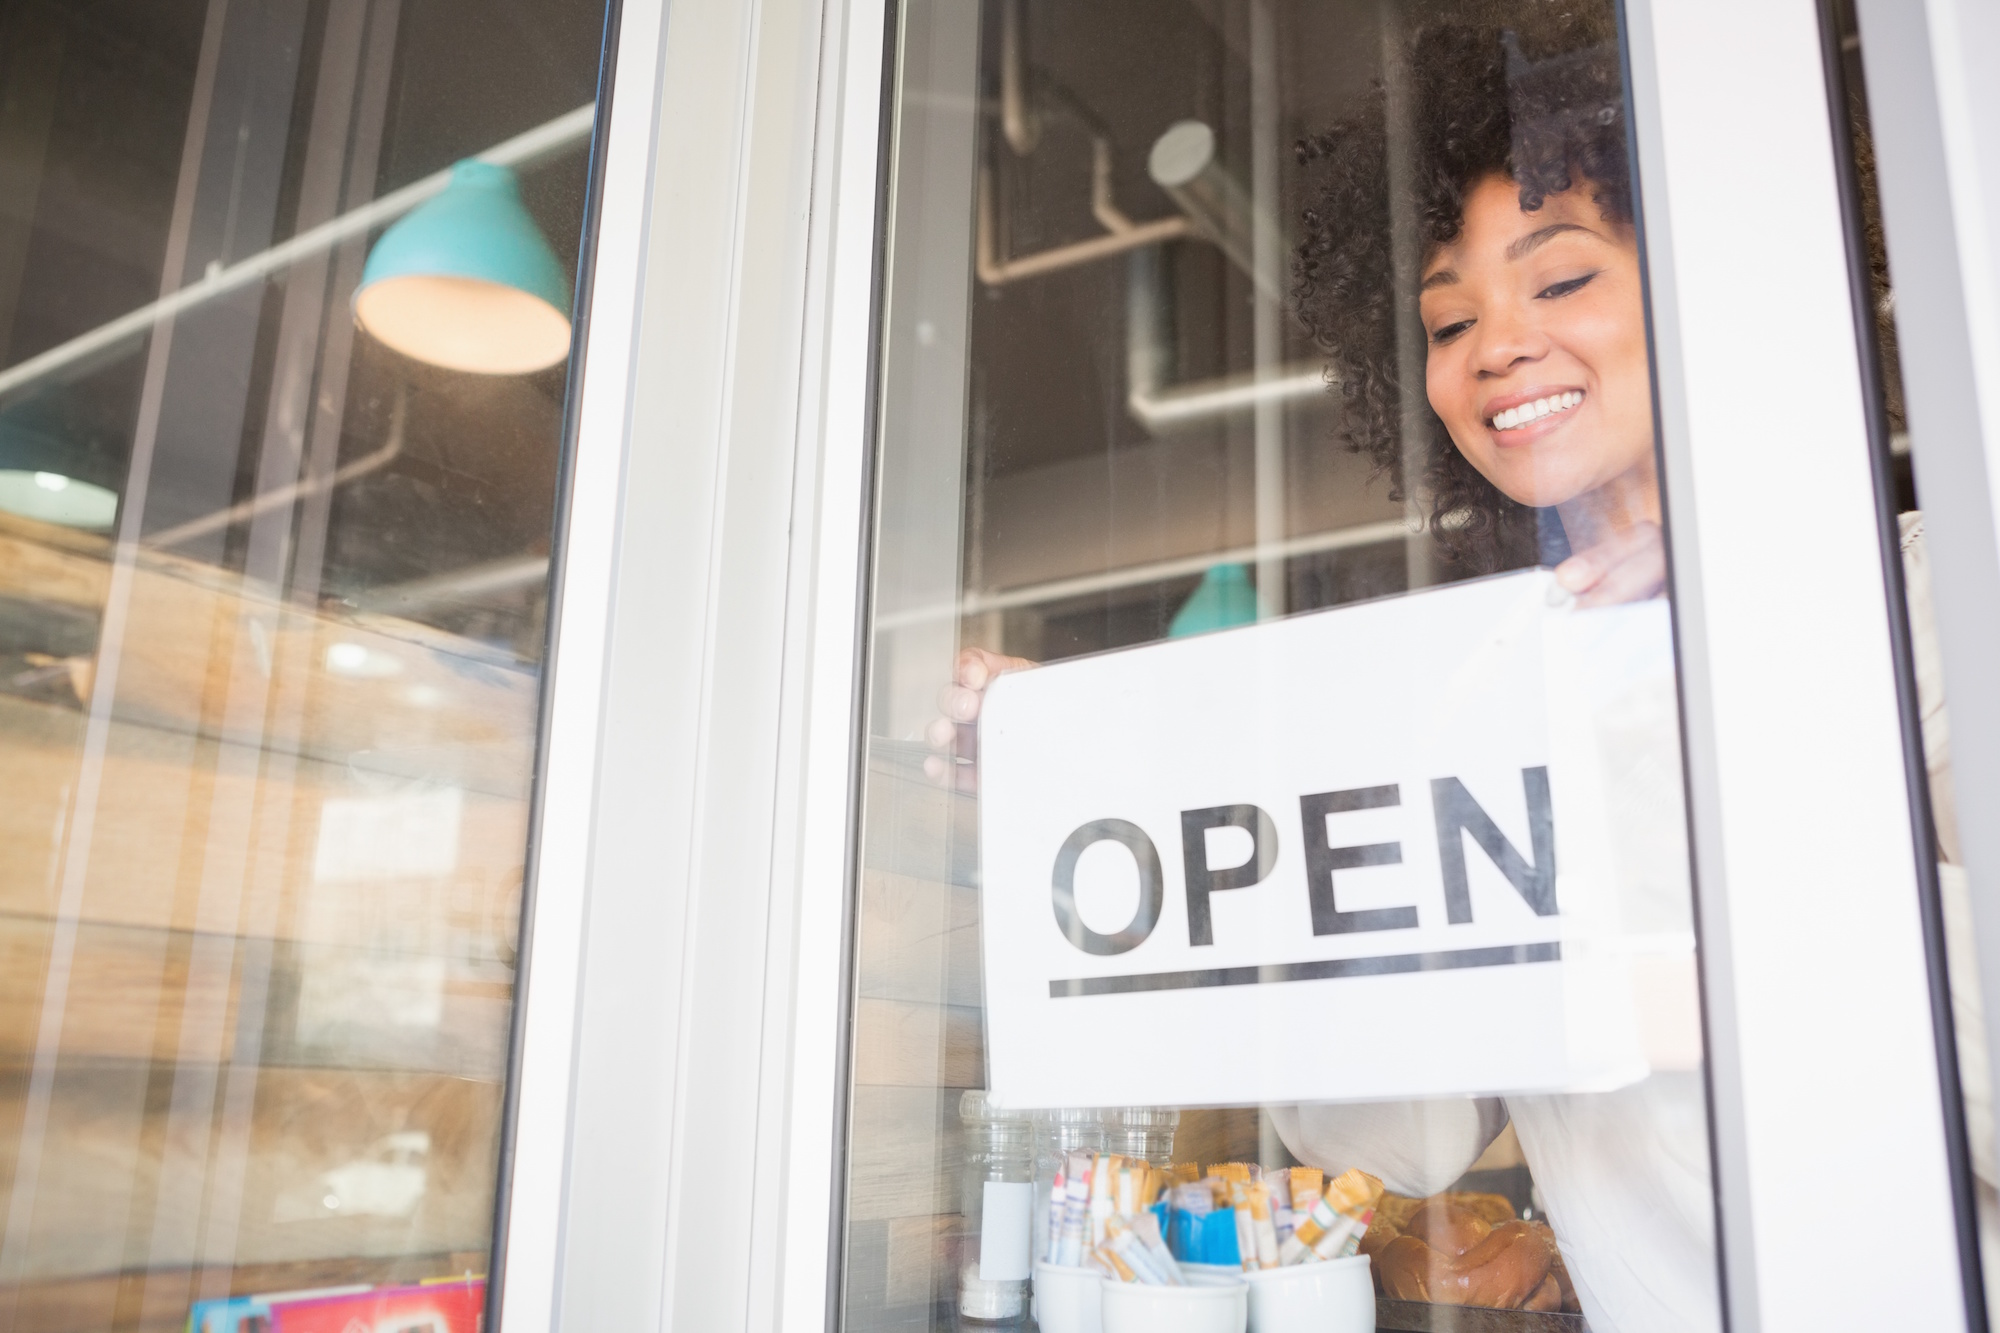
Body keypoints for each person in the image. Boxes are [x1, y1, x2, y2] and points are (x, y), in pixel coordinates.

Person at [932, 7, 1705, 1330]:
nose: (1498, 346)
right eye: (1448, 317)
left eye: (1561, 278)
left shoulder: (1910, 599)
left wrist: (1620, 960)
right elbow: (1394, 1134)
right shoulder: (1485, 699)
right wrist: (1134, 809)